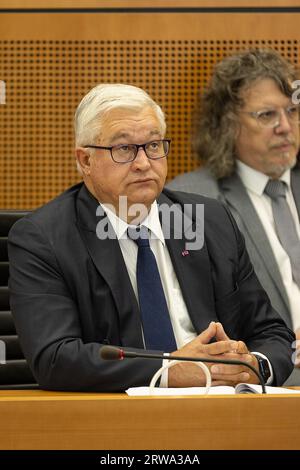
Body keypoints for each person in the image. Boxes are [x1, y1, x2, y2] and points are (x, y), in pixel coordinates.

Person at [8, 83, 294, 392]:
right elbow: (56, 358)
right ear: (85, 161)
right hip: (116, 423)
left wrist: (254, 366)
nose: (144, 163)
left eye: (154, 145)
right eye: (124, 149)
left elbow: (272, 332)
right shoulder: (43, 239)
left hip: (223, 413)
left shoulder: (210, 221)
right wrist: (170, 369)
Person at [168, 48, 300, 384]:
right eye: (267, 115)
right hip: (265, 386)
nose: (285, 127)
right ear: (228, 125)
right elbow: (195, 318)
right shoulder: (191, 203)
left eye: (292, 111)